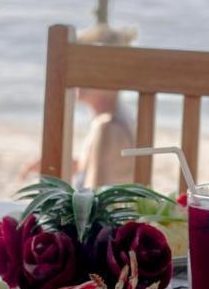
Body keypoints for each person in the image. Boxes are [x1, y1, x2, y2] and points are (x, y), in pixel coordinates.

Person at [22, 11, 138, 189]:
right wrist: (70, 165)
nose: (77, 77)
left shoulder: (108, 128)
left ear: (111, 77)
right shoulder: (113, 120)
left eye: (87, 69)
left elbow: (95, 197)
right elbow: (100, 169)